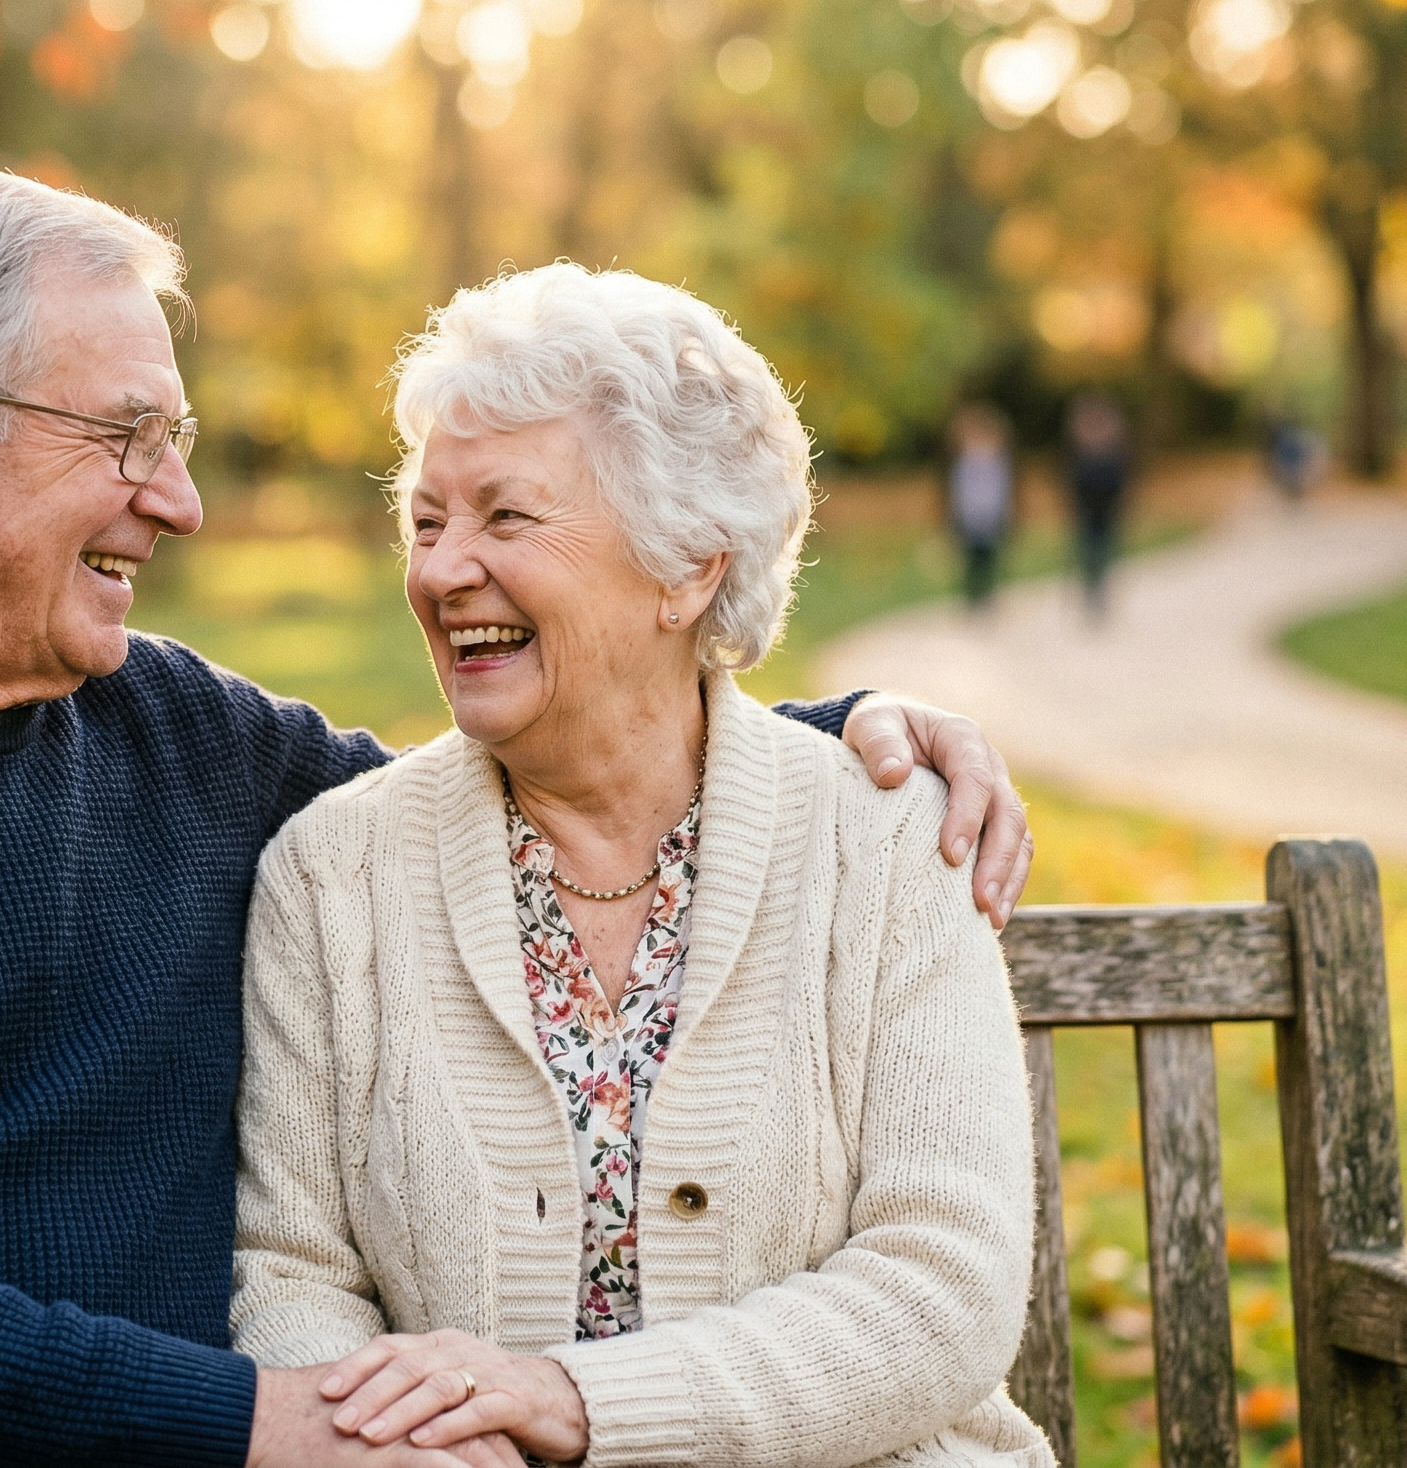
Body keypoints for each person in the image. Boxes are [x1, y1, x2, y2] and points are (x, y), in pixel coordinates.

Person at [0, 166, 1034, 1467]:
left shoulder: (172, 731)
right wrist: (253, 1424)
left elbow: (530, 784)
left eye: (179, 443)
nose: (178, 500)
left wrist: (821, 752)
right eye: (128, 437)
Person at [232, 266, 1046, 1468]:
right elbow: (294, 1275)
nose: (443, 569)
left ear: (688, 569)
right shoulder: (329, 876)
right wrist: (413, 1449)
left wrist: (571, 1402)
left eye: (505, 518)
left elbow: (943, 1290)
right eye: (426, 520)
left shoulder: (888, 842)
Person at [1064, 389, 1129, 619]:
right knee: (1088, 550)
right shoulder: (1079, 451)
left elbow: (1123, 481)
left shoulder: (1114, 451)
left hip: (1107, 509)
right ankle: (1091, 589)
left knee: (1104, 549)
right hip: (1086, 509)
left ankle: (1099, 590)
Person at [947, 403, 1013, 609]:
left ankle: (987, 595)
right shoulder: (962, 466)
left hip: (991, 517)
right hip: (970, 518)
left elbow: (1003, 492)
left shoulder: (999, 465)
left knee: (989, 560)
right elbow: (957, 494)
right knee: (971, 561)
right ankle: (973, 596)